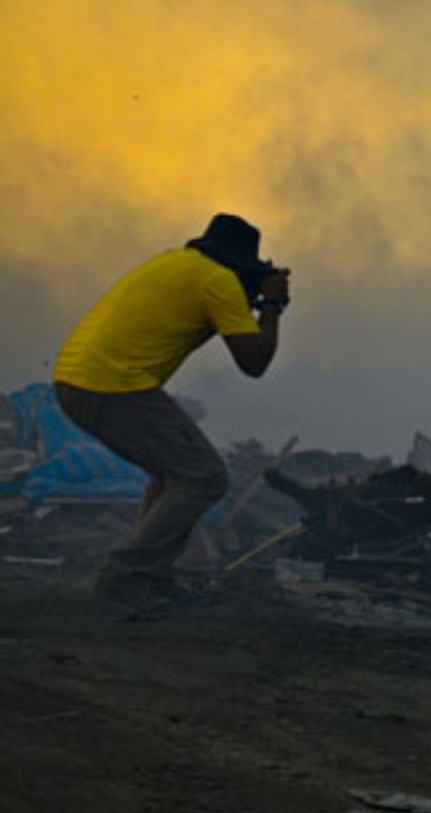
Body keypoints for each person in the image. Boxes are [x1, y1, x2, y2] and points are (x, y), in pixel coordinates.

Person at [52, 213, 291, 604]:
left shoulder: (173, 261)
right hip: (112, 385)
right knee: (205, 477)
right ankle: (125, 576)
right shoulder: (219, 282)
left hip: (77, 379)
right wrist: (271, 305)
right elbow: (255, 362)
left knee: (173, 472)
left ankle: (149, 576)